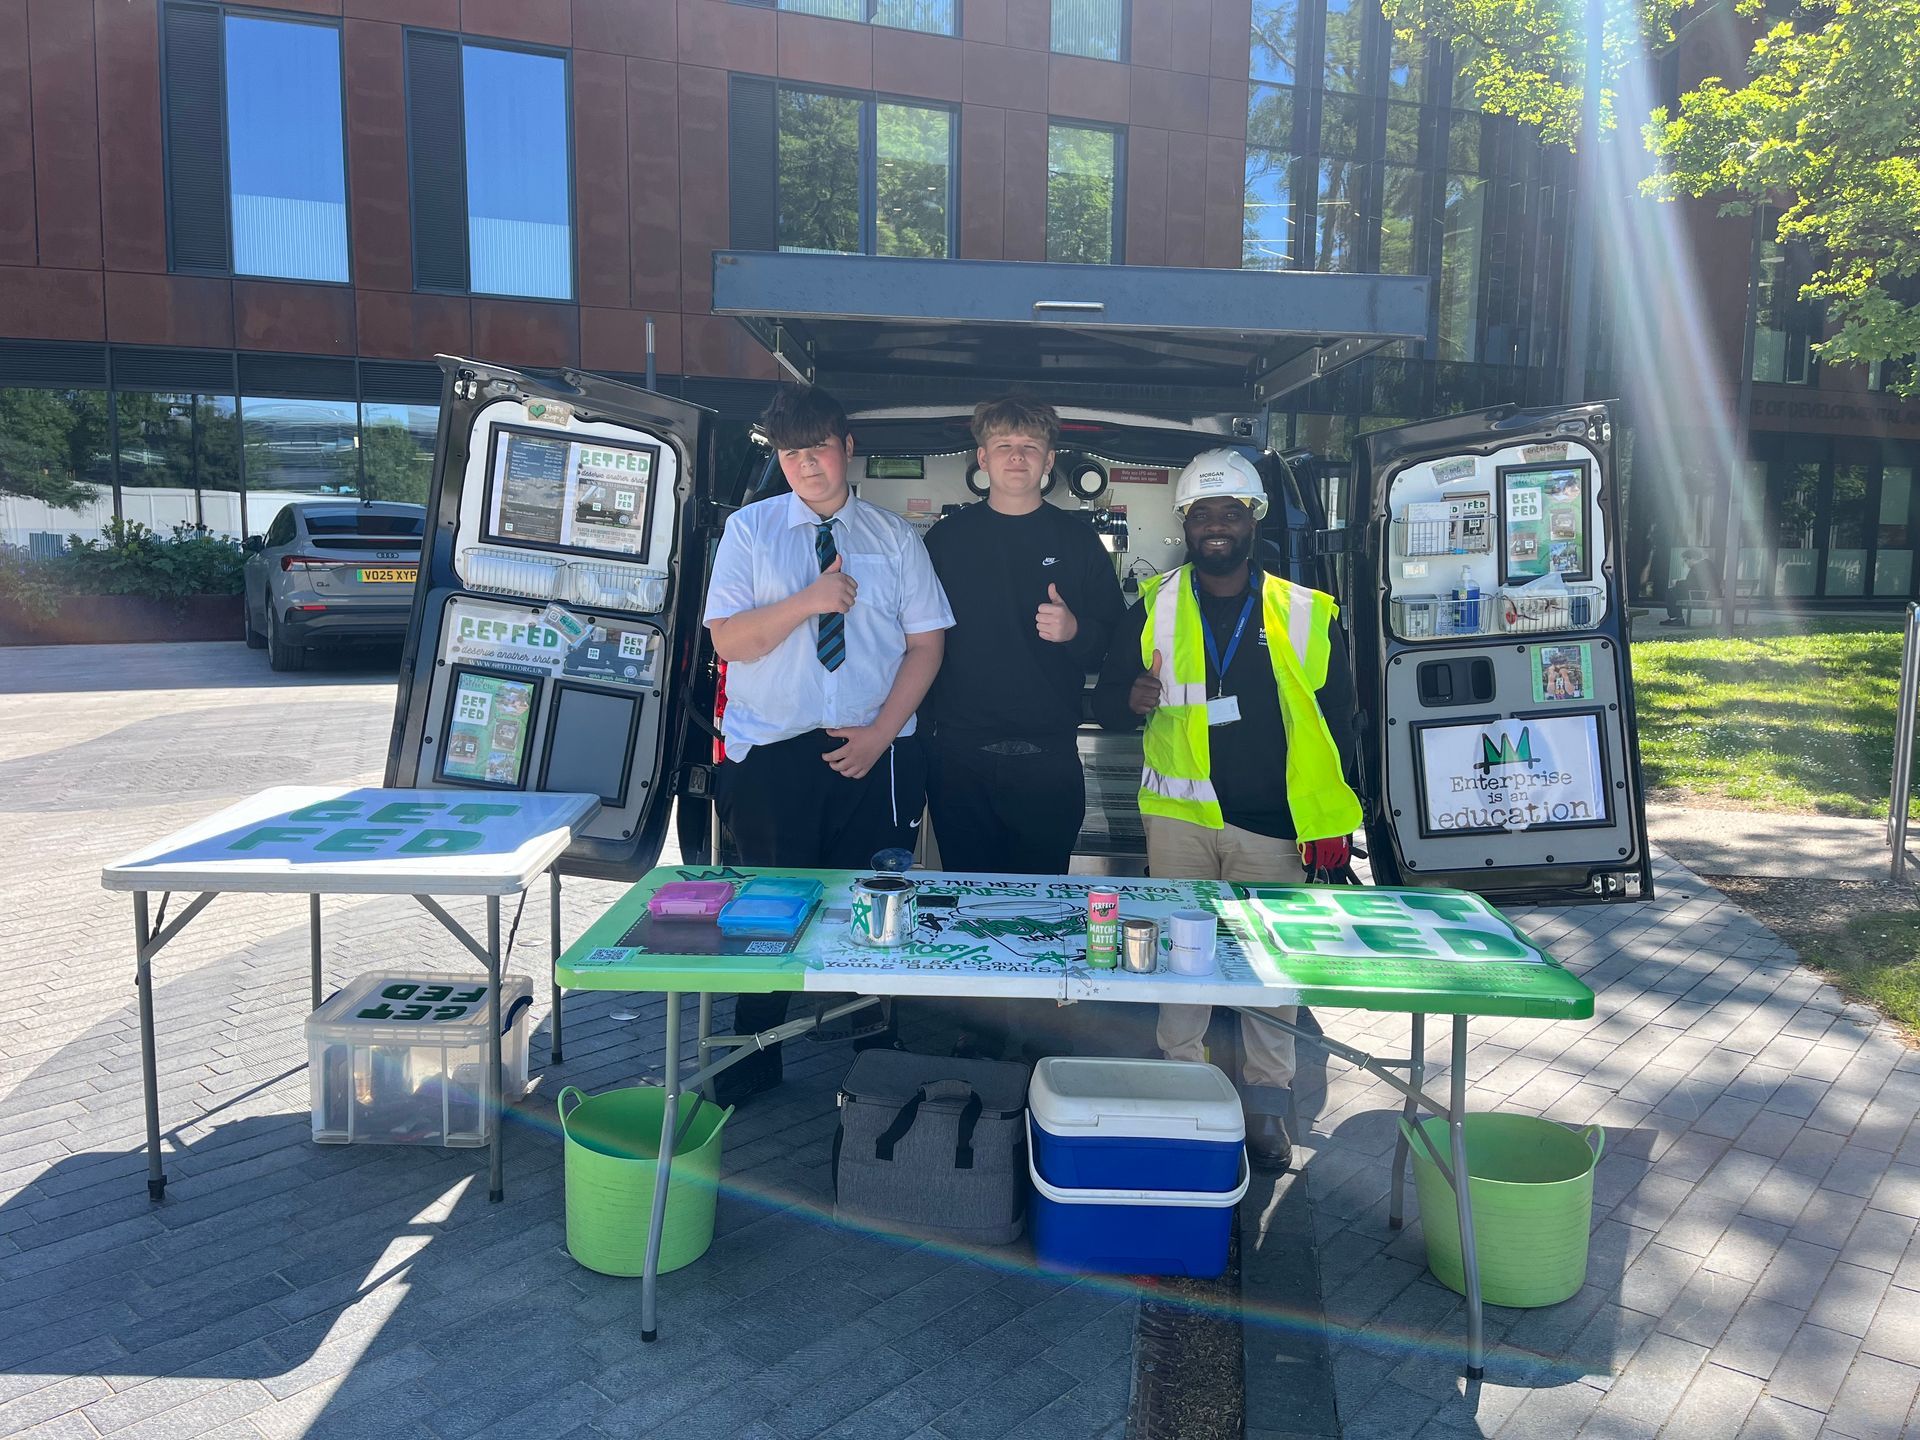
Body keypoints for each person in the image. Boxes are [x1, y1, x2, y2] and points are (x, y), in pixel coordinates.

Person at [1092, 449, 1363, 1172]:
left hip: (1271, 824)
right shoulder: (1152, 606)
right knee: (1183, 963)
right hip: (1181, 820)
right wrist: (1130, 699)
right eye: (1203, 513)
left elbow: (1340, 723)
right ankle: (1184, 1088)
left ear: (1254, 521)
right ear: (1186, 524)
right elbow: (1108, 701)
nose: (1216, 525)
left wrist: (1332, 822)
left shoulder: (1305, 613)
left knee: (1271, 968)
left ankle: (1267, 1105)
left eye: (1231, 512)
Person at [702, 385, 954, 1102]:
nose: (806, 465)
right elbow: (729, 641)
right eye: (791, 454)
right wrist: (807, 602)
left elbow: (926, 646)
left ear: (847, 448)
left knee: (874, 902)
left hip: (874, 751)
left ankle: (875, 1041)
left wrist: (880, 735)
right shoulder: (750, 531)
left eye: (818, 448)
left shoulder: (894, 537)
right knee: (770, 905)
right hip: (772, 755)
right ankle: (753, 1048)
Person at [923, 397, 1126, 874]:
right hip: (958, 758)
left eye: (1030, 447)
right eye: (1004, 446)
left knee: (1044, 899)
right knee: (967, 897)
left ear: (1049, 461)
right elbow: (912, 640)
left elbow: (1116, 645)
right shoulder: (945, 540)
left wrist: (1075, 631)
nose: (1017, 456)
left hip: (1048, 758)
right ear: (983, 457)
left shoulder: (1078, 542)